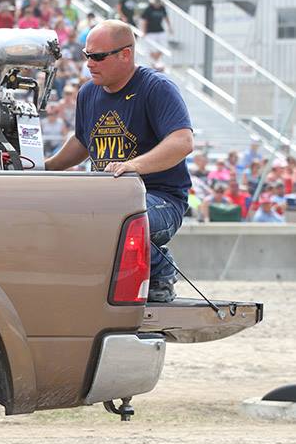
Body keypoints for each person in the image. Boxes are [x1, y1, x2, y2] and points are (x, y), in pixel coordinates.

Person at [44, 20, 194, 302]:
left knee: (117, 219)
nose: (89, 63)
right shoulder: (88, 93)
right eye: (87, 55)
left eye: (98, 56)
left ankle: (160, 269)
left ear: (125, 54)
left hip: (159, 198)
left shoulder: (156, 88)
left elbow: (182, 141)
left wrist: (133, 165)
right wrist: (46, 167)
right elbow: (82, 141)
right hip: (106, 200)